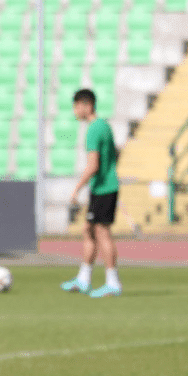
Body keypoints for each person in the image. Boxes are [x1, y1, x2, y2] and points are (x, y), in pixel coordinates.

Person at [62, 88, 122, 297]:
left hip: (104, 188)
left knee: (102, 233)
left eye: (77, 106)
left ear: (87, 106)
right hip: (104, 187)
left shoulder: (94, 130)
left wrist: (76, 189)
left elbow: (93, 164)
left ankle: (112, 282)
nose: (75, 111)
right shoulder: (104, 126)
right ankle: (84, 279)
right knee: (88, 229)